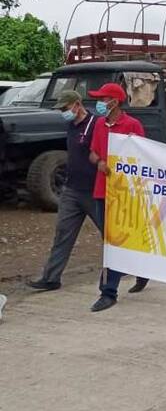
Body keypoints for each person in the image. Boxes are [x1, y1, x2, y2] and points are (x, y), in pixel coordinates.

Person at [27, 91, 100, 291]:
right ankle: (51, 278)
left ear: (77, 104)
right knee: (62, 234)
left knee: (111, 235)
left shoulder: (97, 124)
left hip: (94, 191)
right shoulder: (71, 125)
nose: (63, 113)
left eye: (65, 108)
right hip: (72, 190)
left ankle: (137, 272)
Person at [87, 83, 150, 312]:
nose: (100, 103)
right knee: (111, 240)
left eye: (103, 99)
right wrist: (100, 162)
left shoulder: (132, 125)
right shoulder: (99, 125)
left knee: (114, 244)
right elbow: (93, 152)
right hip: (102, 190)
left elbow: (143, 156)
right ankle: (142, 271)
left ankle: (108, 292)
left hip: (124, 193)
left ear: (114, 101)